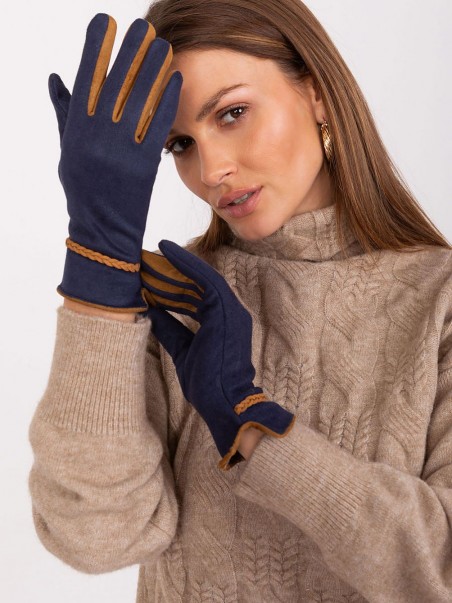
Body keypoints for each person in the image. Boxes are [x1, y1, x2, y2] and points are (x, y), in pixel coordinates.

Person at [28, 0, 452, 601]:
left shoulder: (440, 299)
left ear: (317, 91)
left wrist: (250, 424)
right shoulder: (172, 298)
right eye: (180, 144)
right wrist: (96, 274)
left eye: (231, 113)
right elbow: (97, 538)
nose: (210, 170)